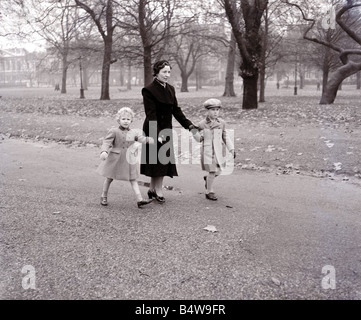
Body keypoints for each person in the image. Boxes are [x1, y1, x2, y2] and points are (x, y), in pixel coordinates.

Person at [140, 60, 197, 203]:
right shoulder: (148, 90)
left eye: (169, 72)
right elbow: (150, 114)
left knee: (161, 161)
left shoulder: (171, 89)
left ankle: (152, 189)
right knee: (157, 161)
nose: (167, 75)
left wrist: (189, 125)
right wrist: (156, 133)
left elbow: (176, 111)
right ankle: (158, 191)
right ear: (157, 72)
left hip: (166, 128)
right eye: (164, 72)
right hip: (153, 128)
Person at [97, 107, 155, 208]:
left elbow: (141, 138)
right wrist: (104, 151)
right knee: (109, 178)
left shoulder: (133, 132)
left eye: (128, 119)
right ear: (118, 120)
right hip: (116, 158)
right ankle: (104, 195)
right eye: (123, 119)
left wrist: (151, 140)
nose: (126, 121)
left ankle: (139, 199)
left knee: (133, 179)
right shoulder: (114, 131)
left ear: (131, 120)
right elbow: (106, 142)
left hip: (129, 159)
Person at [192, 98, 236, 201]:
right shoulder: (202, 123)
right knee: (212, 171)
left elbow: (225, 136)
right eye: (213, 110)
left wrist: (231, 149)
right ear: (207, 111)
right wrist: (199, 137)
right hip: (208, 151)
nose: (216, 112)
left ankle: (208, 179)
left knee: (220, 170)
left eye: (217, 110)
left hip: (218, 151)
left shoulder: (222, 123)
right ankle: (209, 191)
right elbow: (194, 131)